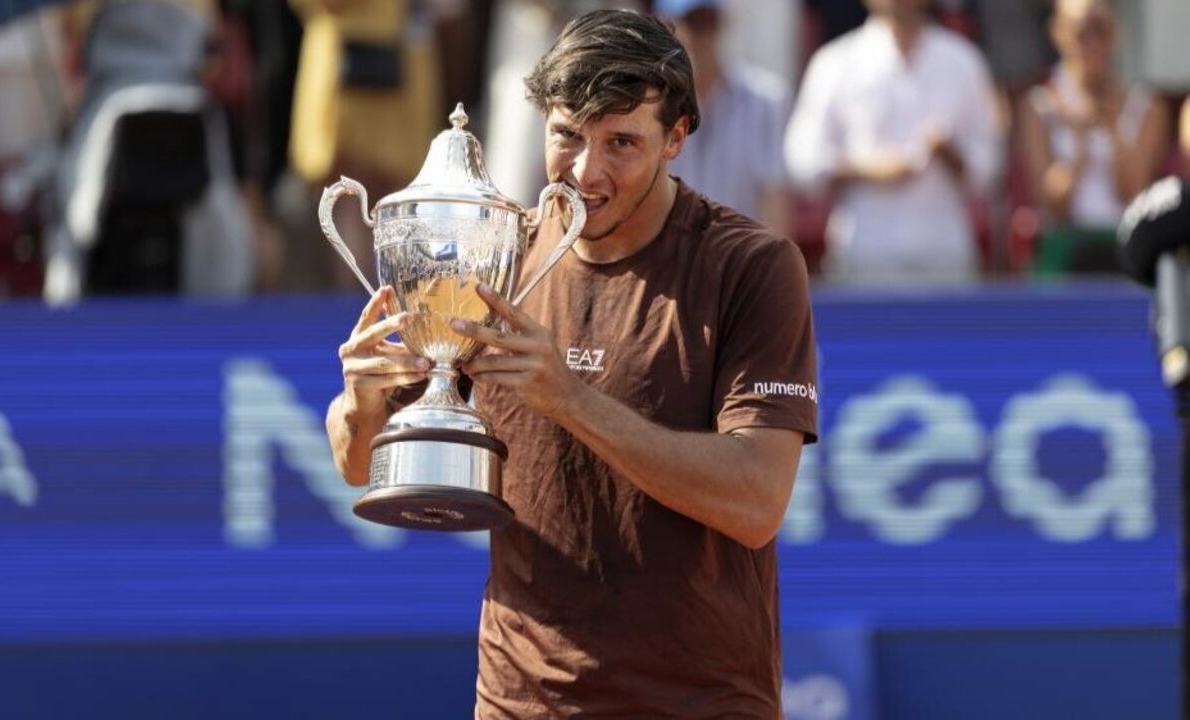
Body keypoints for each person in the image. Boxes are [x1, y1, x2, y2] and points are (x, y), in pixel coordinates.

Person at [326, 8, 817, 718]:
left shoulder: (751, 268)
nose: (587, 172)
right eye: (566, 136)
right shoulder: (497, 253)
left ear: (677, 136)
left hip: (700, 703)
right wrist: (362, 398)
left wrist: (572, 400)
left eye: (622, 143)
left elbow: (756, 501)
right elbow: (356, 461)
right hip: (520, 701)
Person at [784, 0, 1002, 282]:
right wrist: (865, 168)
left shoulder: (963, 61)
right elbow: (803, 163)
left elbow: (991, 164)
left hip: (944, 255)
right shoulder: (834, 63)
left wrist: (951, 155)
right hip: (865, 255)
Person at [1018, 0, 1170, 275]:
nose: (1091, 43)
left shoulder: (1145, 106)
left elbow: (1133, 193)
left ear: (1115, 34)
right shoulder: (1040, 106)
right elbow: (1052, 204)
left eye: (1100, 30)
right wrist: (1079, 145)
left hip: (1124, 248)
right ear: (1058, 33)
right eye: (1080, 32)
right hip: (1065, 251)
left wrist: (1112, 129)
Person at [657, 0, 793, 237]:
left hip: (739, 262)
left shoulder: (765, 100)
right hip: (668, 262)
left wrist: (770, 268)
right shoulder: (650, 102)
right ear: (669, 28)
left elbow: (775, 199)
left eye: (708, 23)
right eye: (691, 23)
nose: (699, 36)